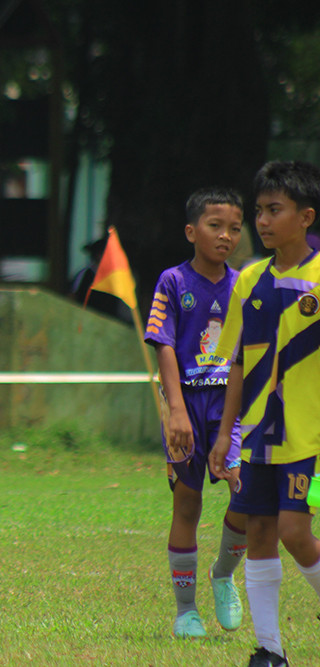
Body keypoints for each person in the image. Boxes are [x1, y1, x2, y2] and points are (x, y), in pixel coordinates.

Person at [209, 161, 320, 667]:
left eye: (275, 210)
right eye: (259, 211)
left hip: (307, 433)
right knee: (258, 531)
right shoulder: (248, 280)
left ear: (306, 217)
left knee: (295, 533)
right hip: (257, 434)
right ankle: (270, 651)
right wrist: (224, 434)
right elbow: (236, 364)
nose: (263, 221)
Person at [143, 187, 248, 640]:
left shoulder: (245, 285)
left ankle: (223, 575)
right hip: (188, 403)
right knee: (187, 502)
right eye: (215, 226)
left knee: (245, 495)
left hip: (231, 405)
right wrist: (176, 413)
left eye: (235, 229)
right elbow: (164, 346)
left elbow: (248, 355)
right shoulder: (172, 282)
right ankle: (186, 610)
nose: (226, 236)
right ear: (191, 231)